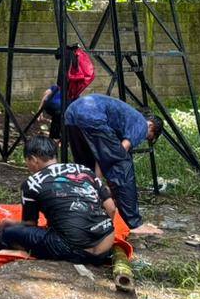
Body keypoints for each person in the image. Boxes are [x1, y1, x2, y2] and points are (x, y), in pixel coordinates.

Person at [0, 135, 117, 265]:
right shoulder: (84, 170)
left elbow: (30, 224)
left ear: (33, 159)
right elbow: (111, 208)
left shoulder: (32, 183)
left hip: (73, 250)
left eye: (27, 161)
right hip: (104, 247)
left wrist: (10, 224)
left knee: (6, 234)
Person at [63, 94, 164, 235]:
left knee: (86, 167)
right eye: (149, 137)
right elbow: (118, 154)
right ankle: (134, 223)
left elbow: (101, 154)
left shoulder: (125, 118)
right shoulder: (142, 124)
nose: (143, 139)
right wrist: (106, 183)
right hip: (92, 115)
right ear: (151, 126)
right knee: (122, 164)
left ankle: (84, 209)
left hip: (71, 113)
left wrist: (98, 182)